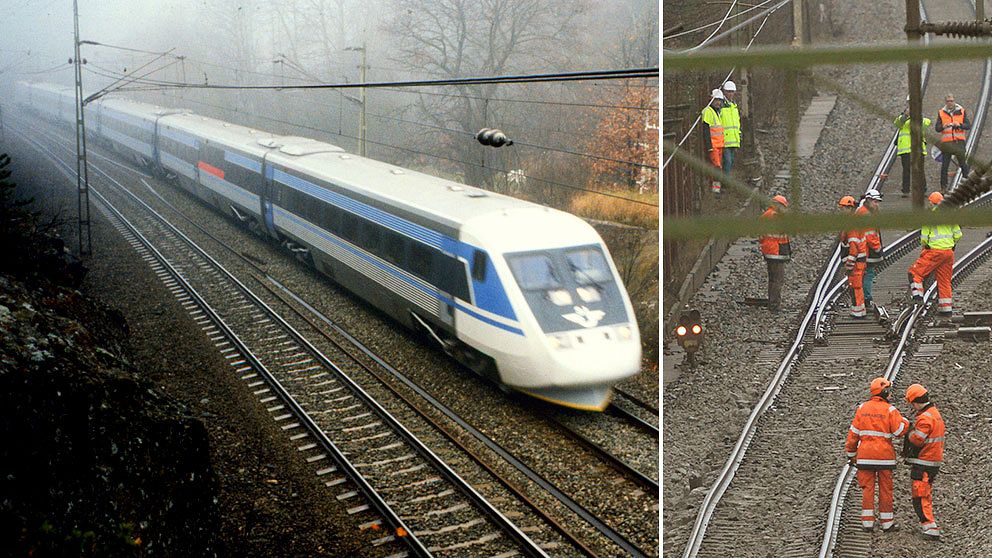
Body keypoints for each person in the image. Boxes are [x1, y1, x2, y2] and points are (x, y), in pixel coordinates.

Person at [845, 377, 909, 532]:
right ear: (885, 392)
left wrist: (851, 454)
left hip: (865, 456)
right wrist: (906, 422)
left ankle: (867, 523)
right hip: (885, 457)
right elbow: (899, 431)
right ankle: (887, 523)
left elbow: (853, 435)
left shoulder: (862, 408)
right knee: (886, 489)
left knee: (867, 488)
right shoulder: (890, 410)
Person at [908, 191, 961, 316]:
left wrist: (926, 246)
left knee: (915, 273)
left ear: (932, 203)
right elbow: (958, 235)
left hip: (934, 252)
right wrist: (951, 244)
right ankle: (946, 309)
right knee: (944, 281)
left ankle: (918, 298)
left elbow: (924, 237)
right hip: (948, 253)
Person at [903, 383, 945, 540]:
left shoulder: (925, 418)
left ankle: (928, 527)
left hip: (924, 462)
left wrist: (909, 432)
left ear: (915, 402)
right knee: (925, 494)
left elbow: (917, 440)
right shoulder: (934, 413)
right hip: (932, 461)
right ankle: (930, 525)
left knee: (920, 495)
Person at [759, 195, 791, 311]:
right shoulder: (776, 216)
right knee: (778, 279)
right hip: (776, 251)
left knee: (772, 279)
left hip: (769, 251)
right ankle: (774, 305)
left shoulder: (766, 215)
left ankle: (772, 302)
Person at [839, 195, 867, 318]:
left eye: (843, 208)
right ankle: (858, 309)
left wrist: (849, 263)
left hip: (856, 261)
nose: (841, 211)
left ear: (849, 208)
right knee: (856, 286)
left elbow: (853, 246)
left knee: (856, 286)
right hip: (858, 260)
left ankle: (859, 311)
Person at [895, 103, 931, 197]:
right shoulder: (902, 119)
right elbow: (897, 123)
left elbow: (925, 123)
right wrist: (906, 115)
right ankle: (906, 191)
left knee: (919, 170)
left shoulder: (921, 119)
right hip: (906, 149)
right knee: (906, 170)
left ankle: (922, 190)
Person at [935, 94, 971, 190]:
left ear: (954, 101)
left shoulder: (961, 111)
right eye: (948, 101)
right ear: (945, 102)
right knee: (944, 166)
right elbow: (937, 128)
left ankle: (967, 185)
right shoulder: (941, 113)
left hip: (959, 142)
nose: (950, 103)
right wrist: (943, 126)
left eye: (951, 101)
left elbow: (968, 125)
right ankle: (943, 187)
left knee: (963, 164)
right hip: (947, 143)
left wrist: (959, 124)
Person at [859, 190, 884, 310]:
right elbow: (870, 235)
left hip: (861, 249)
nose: (877, 205)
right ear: (868, 200)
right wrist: (878, 248)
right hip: (865, 251)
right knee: (868, 274)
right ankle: (866, 299)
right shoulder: (866, 214)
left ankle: (862, 300)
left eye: (878, 202)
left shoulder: (863, 211)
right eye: (875, 202)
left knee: (864, 274)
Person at [701, 89, 725, 194]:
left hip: (719, 145)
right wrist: (709, 146)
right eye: (716, 100)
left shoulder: (716, 112)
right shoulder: (708, 112)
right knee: (717, 167)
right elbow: (706, 130)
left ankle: (716, 187)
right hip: (714, 145)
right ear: (711, 99)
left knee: (717, 166)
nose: (718, 102)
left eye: (719, 100)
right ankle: (716, 189)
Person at [720, 81, 742, 180]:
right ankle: (726, 182)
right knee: (727, 161)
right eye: (728, 91)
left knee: (730, 161)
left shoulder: (734, 106)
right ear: (724, 92)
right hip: (724, 139)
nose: (730, 94)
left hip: (733, 139)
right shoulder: (721, 105)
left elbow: (736, 123)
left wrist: (739, 134)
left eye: (732, 91)